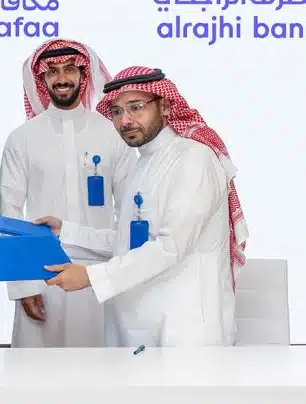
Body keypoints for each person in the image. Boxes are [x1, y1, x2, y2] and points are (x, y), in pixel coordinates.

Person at [34, 66, 249, 347]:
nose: (125, 120)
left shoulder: (194, 160)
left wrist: (91, 276)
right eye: (117, 111)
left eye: (136, 107)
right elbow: (130, 240)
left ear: (165, 106)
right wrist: (65, 232)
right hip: (136, 328)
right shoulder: (143, 162)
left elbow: (170, 246)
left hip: (184, 329)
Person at [0, 38, 137, 347]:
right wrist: (24, 285)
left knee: (98, 368)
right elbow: (10, 215)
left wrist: (122, 273)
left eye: (70, 69)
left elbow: (130, 209)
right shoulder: (22, 138)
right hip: (42, 276)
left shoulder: (112, 133)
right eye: (53, 71)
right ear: (42, 79)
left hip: (99, 276)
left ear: (83, 75)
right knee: (38, 370)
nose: (62, 78)